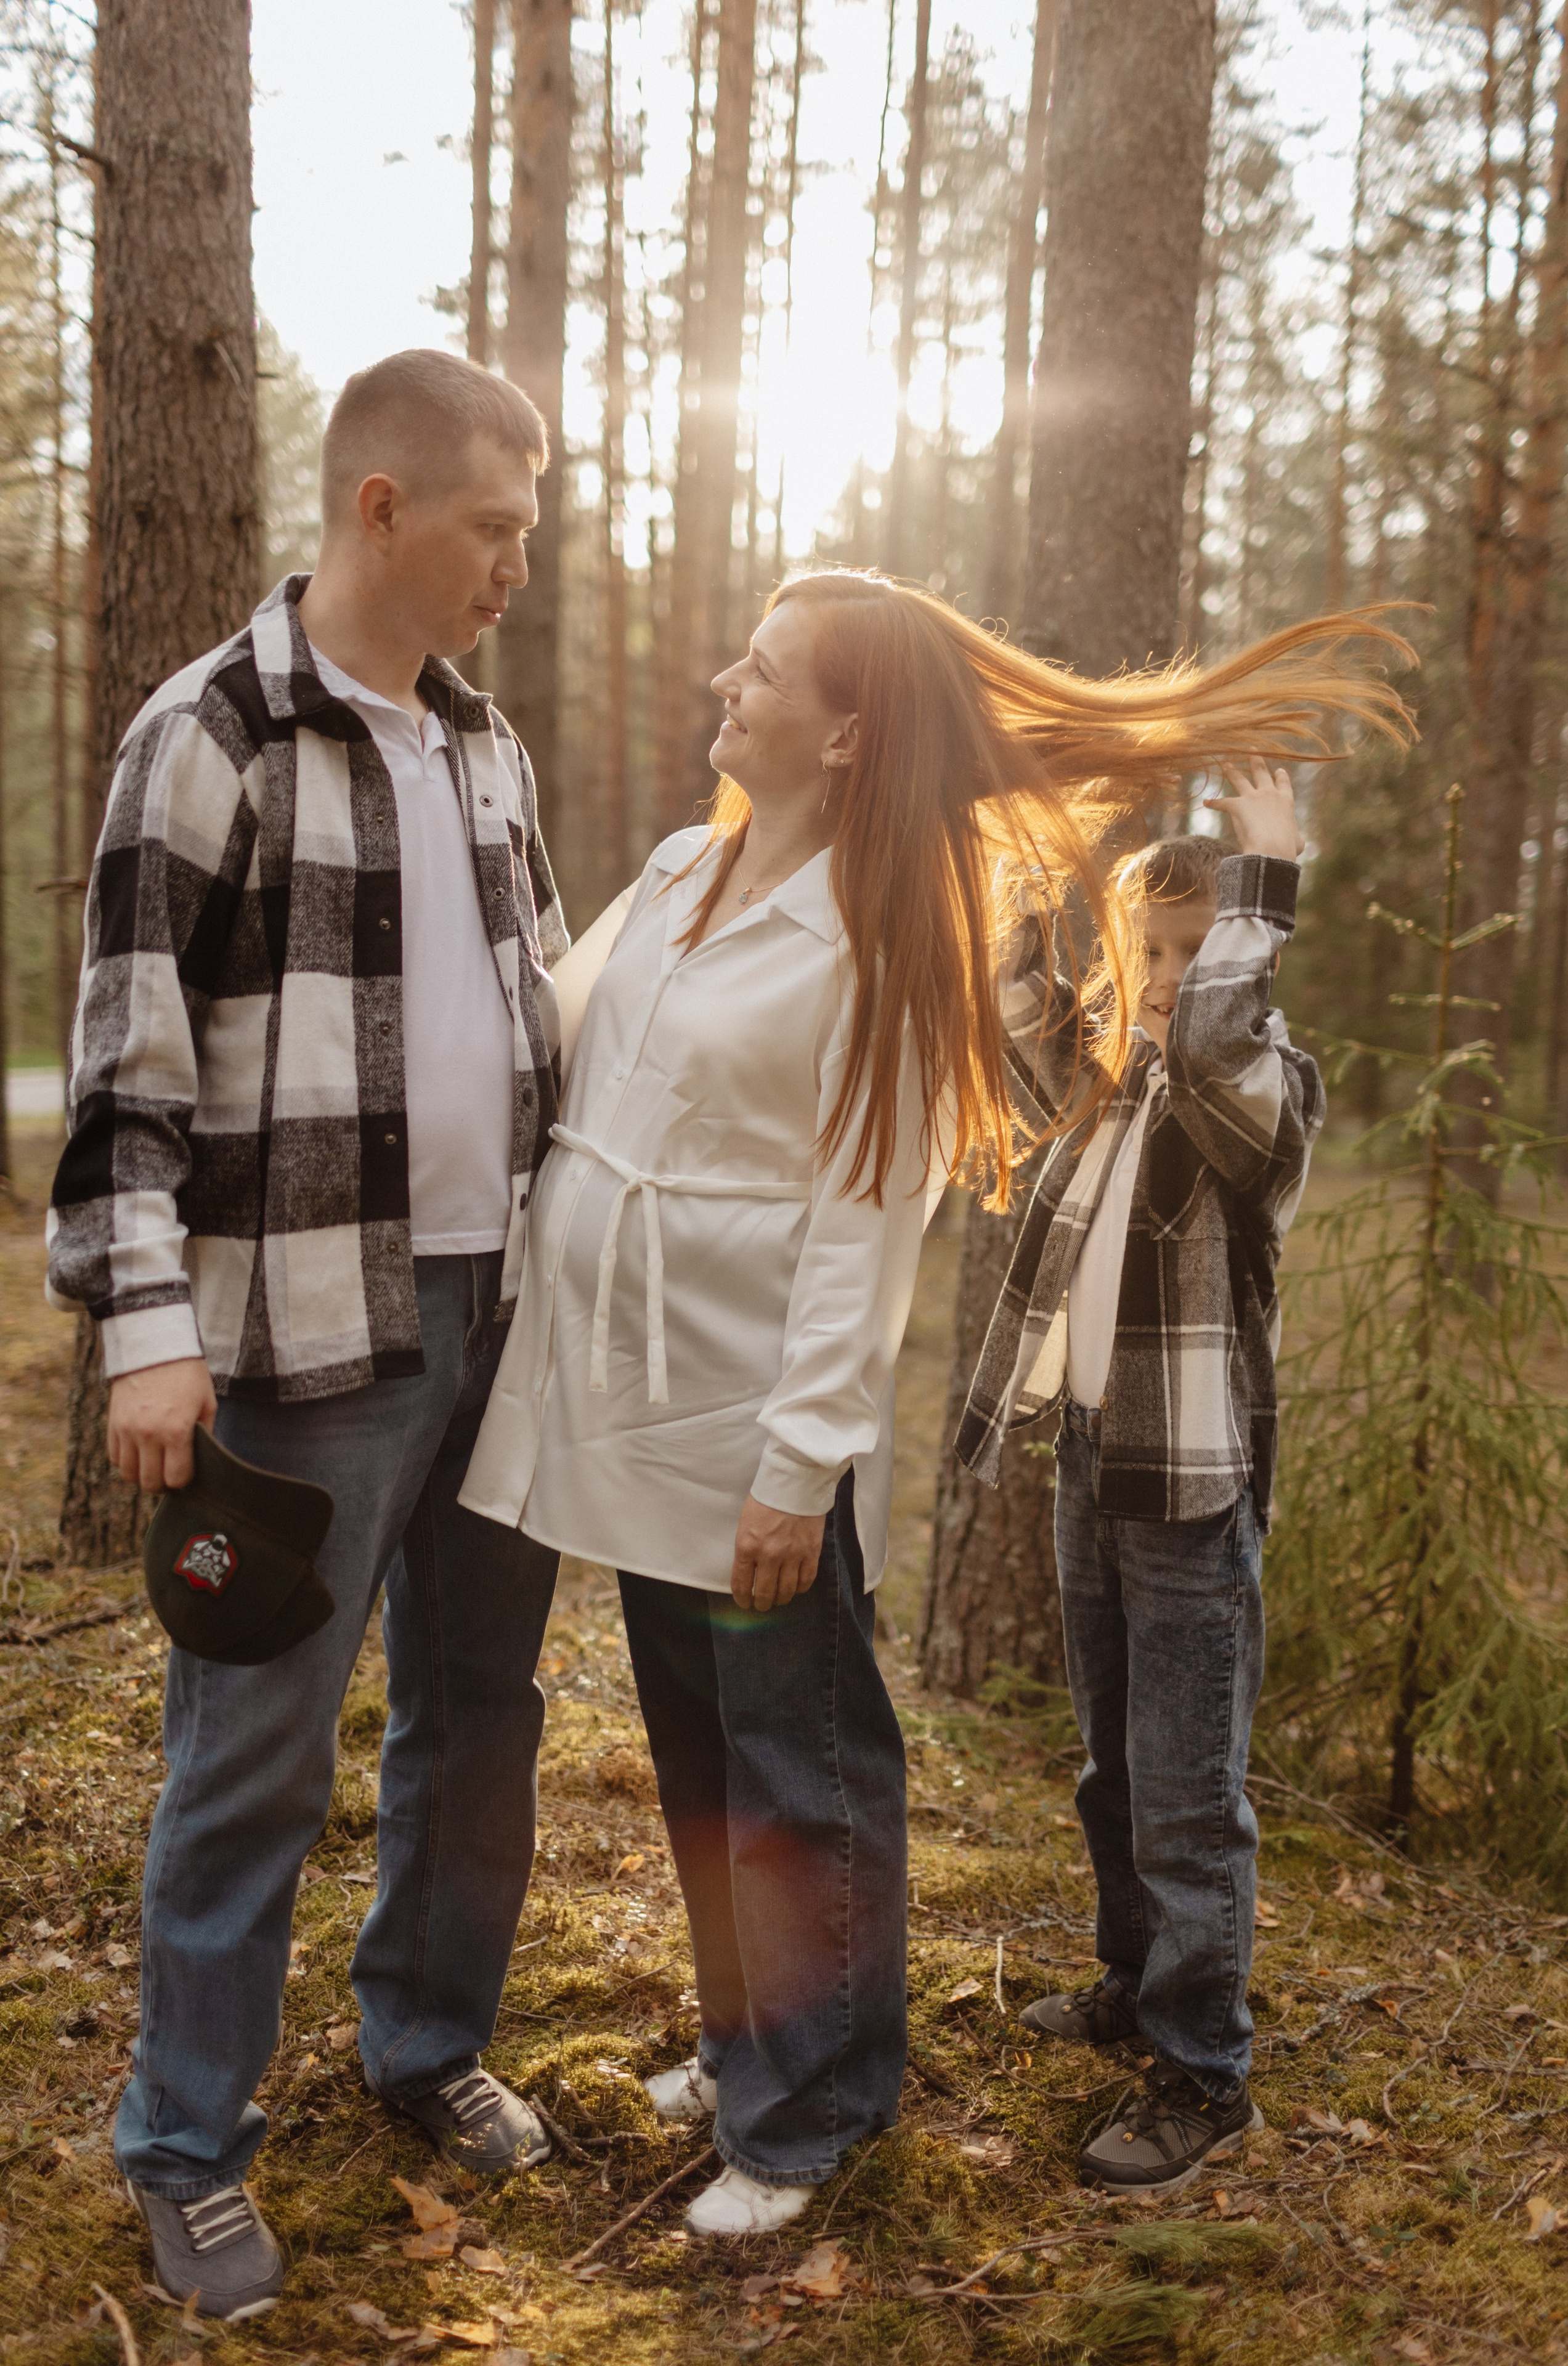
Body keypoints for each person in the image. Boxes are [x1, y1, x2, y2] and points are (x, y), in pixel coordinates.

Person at [462, 570, 1411, 2236]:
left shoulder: (884, 937)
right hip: (620, 1392)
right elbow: (548, 1039)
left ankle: (815, 2109)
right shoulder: (685, 863)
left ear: (844, 730)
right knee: (700, 1761)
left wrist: (801, 1459)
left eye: (759, 670)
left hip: (752, 1417)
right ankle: (750, 2034)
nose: (722, 682)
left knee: (802, 1770)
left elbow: (863, 1218)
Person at [46, 350, 566, 2314]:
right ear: (381, 511)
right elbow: (125, 1076)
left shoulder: (482, 744)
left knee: (480, 1719)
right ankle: (186, 2146)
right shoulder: (212, 736)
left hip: (493, 1321)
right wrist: (146, 1329)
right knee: (251, 1756)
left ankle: (424, 2050)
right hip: (289, 1347)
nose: (518, 567)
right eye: (494, 529)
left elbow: (530, 1011)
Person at [956, 765, 1343, 2195]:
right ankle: (1134, 1982)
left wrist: (1269, 867)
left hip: (1190, 1492)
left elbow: (1224, 1034)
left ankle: (1201, 2068)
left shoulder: (1256, 1093)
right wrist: (1026, 881)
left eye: (1194, 950)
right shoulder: (1103, 1089)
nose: (1170, 981)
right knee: (1111, 1767)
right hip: (1091, 1463)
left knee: (1186, 1788)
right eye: (1150, 954)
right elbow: (1013, 1029)